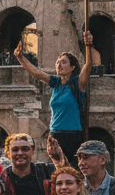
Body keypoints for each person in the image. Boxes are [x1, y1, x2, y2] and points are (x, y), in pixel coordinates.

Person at [13, 32, 94, 167]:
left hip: (72, 135)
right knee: (58, 170)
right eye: (57, 62)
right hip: (55, 133)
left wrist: (88, 46)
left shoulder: (77, 83)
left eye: (63, 62)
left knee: (72, 170)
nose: (59, 65)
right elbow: (36, 73)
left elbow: (88, 66)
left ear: (72, 67)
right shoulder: (55, 83)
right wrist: (20, 57)